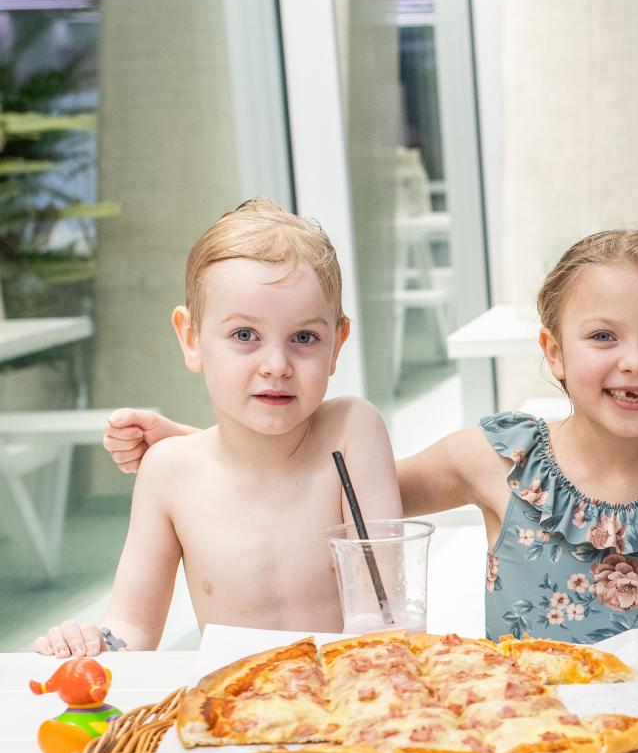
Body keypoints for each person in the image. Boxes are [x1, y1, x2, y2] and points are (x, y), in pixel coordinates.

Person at [100, 228, 638, 645]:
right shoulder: (501, 459)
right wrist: (207, 446)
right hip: (517, 714)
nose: (634, 361)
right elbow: (335, 489)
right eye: (604, 336)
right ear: (554, 352)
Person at [35, 197, 400, 656]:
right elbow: (132, 625)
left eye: (304, 338)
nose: (276, 365)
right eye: (245, 335)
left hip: (353, 698)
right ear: (191, 339)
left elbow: (384, 616)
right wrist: (93, 644)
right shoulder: (168, 471)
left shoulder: (351, 433)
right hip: (231, 711)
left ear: (337, 344)